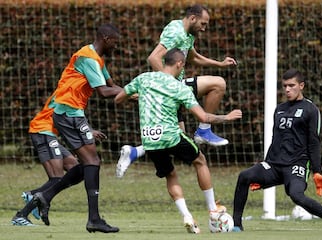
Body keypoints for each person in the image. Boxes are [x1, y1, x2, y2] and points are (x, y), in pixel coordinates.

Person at [114, 48, 242, 233]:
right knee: (200, 161)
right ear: (179, 64)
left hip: (149, 139)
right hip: (171, 136)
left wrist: (145, 97)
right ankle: (213, 210)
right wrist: (226, 117)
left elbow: (119, 99)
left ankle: (187, 216)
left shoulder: (144, 79)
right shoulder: (179, 87)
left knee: (170, 175)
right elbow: (204, 117)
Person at [116, 4, 238, 178]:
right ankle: (204, 130)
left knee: (176, 137)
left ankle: (135, 152)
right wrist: (170, 86)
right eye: (203, 24)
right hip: (171, 87)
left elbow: (193, 57)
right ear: (193, 18)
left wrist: (219, 63)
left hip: (174, 86)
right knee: (218, 84)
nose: (204, 29)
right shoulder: (176, 32)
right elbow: (153, 58)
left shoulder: (187, 34)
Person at [232, 68, 322, 233]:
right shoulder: (279, 109)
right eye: (285, 86)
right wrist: (264, 167)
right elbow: (276, 139)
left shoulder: (311, 109)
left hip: (297, 164)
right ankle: (236, 225)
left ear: (301, 85)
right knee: (245, 176)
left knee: (296, 195)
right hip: (274, 164)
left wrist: (317, 171)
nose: (287, 90)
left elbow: (314, 141)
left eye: (291, 85)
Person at [29, 23, 123, 233]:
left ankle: (45, 196)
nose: (116, 47)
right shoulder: (88, 58)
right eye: (115, 43)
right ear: (107, 39)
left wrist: (131, 93)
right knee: (92, 161)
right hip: (67, 113)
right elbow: (104, 91)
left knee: (89, 164)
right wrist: (136, 91)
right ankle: (94, 219)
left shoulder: (97, 59)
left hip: (72, 113)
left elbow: (111, 84)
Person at [11, 91, 107, 226]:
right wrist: (88, 131)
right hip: (42, 131)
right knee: (56, 177)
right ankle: (23, 212)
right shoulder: (67, 92)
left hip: (50, 134)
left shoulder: (71, 92)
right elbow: (65, 119)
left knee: (77, 169)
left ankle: (33, 198)